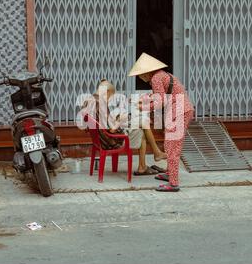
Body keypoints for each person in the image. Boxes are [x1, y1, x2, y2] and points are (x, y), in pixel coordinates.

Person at [129, 53, 195, 192]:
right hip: (182, 109)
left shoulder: (155, 78)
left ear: (146, 72)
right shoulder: (162, 75)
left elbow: (160, 102)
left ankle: (173, 183)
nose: (141, 78)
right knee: (170, 144)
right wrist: (145, 99)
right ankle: (170, 174)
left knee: (172, 147)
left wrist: (143, 106)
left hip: (179, 111)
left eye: (140, 75)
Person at [82, 79, 167, 176]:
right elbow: (112, 130)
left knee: (141, 122)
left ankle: (148, 161)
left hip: (100, 140)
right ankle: (151, 158)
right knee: (143, 126)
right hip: (112, 141)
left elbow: (88, 126)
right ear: (107, 92)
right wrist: (121, 120)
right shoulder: (100, 104)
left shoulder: (88, 101)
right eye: (111, 96)